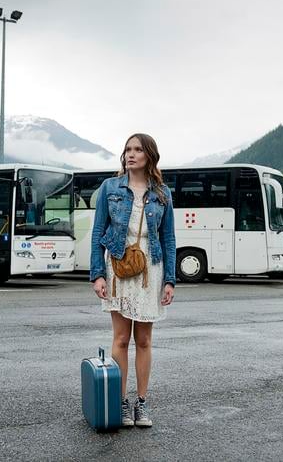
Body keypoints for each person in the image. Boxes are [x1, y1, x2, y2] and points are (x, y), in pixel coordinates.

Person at [90, 133, 176, 428]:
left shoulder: (162, 193)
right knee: (121, 338)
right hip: (117, 268)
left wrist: (170, 280)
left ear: (149, 155)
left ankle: (141, 402)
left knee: (144, 339)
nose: (131, 154)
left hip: (150, 269)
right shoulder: (109, 188)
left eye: (138, 149)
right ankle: (120, 402)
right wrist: (97, 275)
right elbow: (97, 232)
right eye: (128, 149)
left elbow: (169, 238)